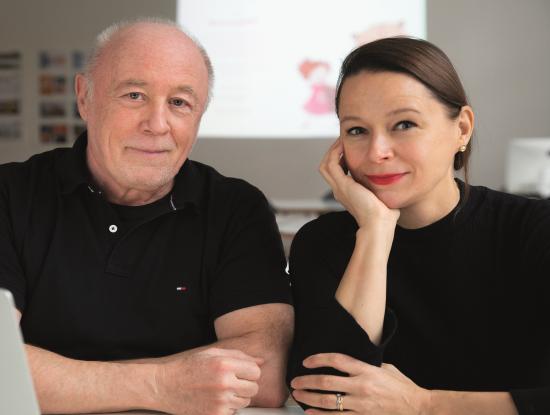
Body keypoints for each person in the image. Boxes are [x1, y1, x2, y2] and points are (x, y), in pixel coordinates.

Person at [0, 19, 294, 415]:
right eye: (134, 95)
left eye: (179, 103)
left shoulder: (236, 208)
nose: (157, 125)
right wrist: (163, 385)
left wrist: (61, 379)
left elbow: (265, 375)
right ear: (84, 98)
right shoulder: (9, 195)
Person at [287, 37, 550, 415]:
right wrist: (375, 230)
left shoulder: (533, 230)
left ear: (462, 128)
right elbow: (328, 395)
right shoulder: (322, 243)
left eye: (404, 124)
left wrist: (424, 404)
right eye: (357, 130)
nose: (377, 152)